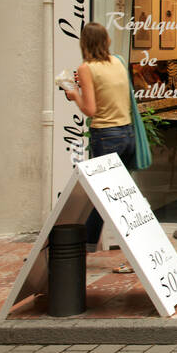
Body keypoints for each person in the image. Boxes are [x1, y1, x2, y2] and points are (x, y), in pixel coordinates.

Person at [62, 22, 136, 263]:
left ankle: (83, 246)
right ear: (106, 41)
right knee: (116, 195)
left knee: (100, 195)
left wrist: (74, 95)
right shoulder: (118, 62)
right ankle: (91, 244)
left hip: (105, 135)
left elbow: (91, 109)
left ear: (84, 43)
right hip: (126, 133)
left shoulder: (87, 68)